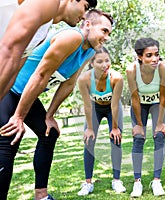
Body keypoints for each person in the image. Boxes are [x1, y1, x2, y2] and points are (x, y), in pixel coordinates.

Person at [0, 9, 113, 200]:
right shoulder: (71, 36)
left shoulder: (89, 51)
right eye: (104, 31)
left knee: (48, 133)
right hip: (9, 90)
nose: (106, 37)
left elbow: (68, 83)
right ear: (87, 24)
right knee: (9, 141)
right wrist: (18, 117)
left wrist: (49, 115)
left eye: (109, 33)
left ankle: (41, 196)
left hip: (26, 96)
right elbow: (41, 74)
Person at [0, 0, 97, 100]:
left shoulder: (43, 32)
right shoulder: (48, 2)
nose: (85, 16)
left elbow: (14, 70)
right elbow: (8, 51)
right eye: (85, 7)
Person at [77, 47, 126, 196]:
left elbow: (115, 104)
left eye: (107, 60)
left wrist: (115, 128)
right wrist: (90, 128)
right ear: (92, 63)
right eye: (100, 61)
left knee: (116, 140)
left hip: (113, 109)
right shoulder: (84, 79)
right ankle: (88, 183)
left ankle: (116, 180)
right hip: (94, 109)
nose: (105, 64)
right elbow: (87, 105)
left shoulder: (116, 78)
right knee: (89, 141)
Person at [126, 38, 165, 197]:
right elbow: (135, 98)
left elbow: (163, 96)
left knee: (159, 136)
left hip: (158, 104)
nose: (154, 59)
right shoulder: (131, 70)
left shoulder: (163, 68)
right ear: (140, 57)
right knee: (138, 138)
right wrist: (138, 124)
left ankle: (156, 180)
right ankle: (137, 182)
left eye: (157, 55)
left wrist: (160, 123)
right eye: (149, 55)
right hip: (140, 105)